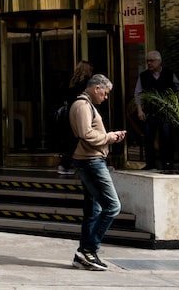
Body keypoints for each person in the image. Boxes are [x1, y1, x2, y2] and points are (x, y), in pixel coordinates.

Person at [69, 73, 126, 271]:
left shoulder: (86, 105)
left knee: (94, 209)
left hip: (90, 160)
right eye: (105, 93)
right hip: (91, 162)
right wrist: (109, 137)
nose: (106, 97)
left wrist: (111, 137)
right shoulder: (83, 106)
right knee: (112, 206)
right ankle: (88, 250)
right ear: (96, 88)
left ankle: (84, 255)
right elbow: (86, 134)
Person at [134, 50, 179, 170]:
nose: (149, 63)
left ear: (159, 61)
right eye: (147, 61)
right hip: (149, 111)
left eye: (151, 61)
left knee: (166, 137)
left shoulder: (169, 74)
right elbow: (138, 93)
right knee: (149, 138)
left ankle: (167, 163)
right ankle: (150, 164)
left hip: (165, 111)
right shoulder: (143, 76)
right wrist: (139, 110)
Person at [58, 61, 93, 175]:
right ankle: (67, 165)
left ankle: (66, 164)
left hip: (70, 113)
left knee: (72, 139)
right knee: (81, 138)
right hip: (80, 112)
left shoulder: (72, 82)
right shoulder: (86, 82)